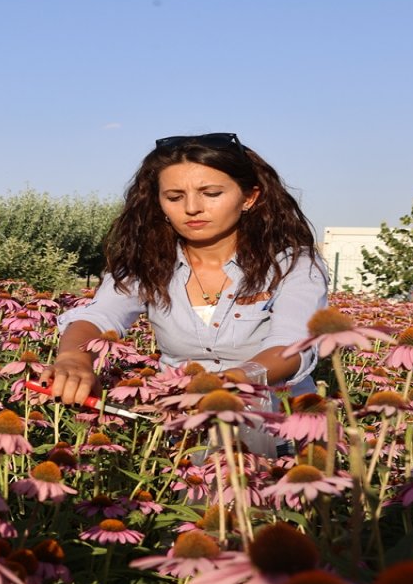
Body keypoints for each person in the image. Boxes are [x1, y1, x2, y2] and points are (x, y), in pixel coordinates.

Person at [41, 133, 327, 408]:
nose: (192, 208)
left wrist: (233, 380)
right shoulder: (147, 264)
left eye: (211, 193)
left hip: (279, 432)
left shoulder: (292, 265)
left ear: (249, 198)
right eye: (175, 197)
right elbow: (99, 316)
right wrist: (73, 360)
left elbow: (292, 344)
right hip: (182, 434)